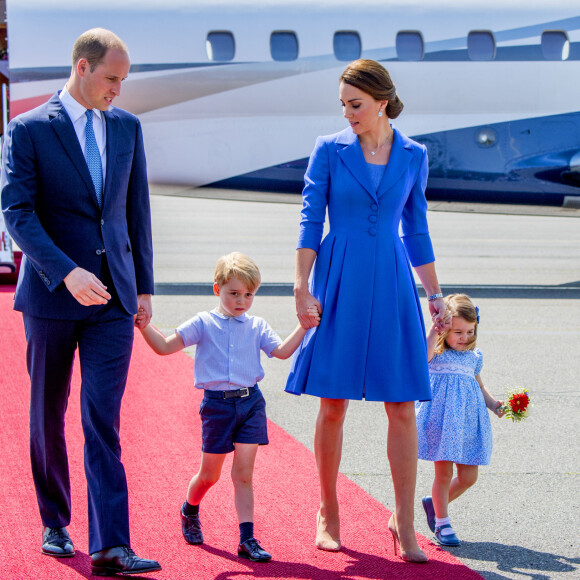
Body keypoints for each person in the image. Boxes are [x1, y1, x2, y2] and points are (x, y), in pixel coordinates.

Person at [1, 28, 161, 575]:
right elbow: (17, 213)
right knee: (48, 412)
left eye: (123, 80)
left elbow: (135, 211)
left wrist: (143, 287)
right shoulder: (27, 130)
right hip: (50, 296)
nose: (118, 89)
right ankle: (54, 521)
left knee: (102, 418)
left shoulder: (128, 128)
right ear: (83, 67)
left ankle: (111, 544)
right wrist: (64, 271)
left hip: (113, 299)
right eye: (112, 78)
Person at [285, 59, 450, 563]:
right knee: (332, 403)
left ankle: (402, 519)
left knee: (400, 403)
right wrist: (300, 285)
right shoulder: (328, 150)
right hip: (339, 277)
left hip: (393, 280)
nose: (348, 114)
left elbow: (416, 228)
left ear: (381, 101)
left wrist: (435, 295)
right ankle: (328, 510)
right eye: (343, 106)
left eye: (355, 105)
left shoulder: (414, 154)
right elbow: (311, 218)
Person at [137, 252, 318, 563]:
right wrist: (143, 327)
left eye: (249, 294)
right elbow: (165, 347)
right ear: (216, 289)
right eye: (234, 293)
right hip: (217, 407)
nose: (242, 301)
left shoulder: (257, 325)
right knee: (210, 475)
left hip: (251, 404)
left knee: (243, 474)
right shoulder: (203, 323)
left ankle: (247, 538)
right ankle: (190, 508)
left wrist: (303, 327)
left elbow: (282, 352)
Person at [416, 294, 505, 546]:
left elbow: (479, 385)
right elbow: (422, 356)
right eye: (458, 332)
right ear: (445, 329)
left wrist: (493, 405)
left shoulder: (474, 356)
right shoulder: (437, 352)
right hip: (441, 421)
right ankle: (442, 524)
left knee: (468, 477)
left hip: (467, 422)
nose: (464, 337)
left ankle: (433, 504)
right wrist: (435, 329)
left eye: (470, 331)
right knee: (443, 474)